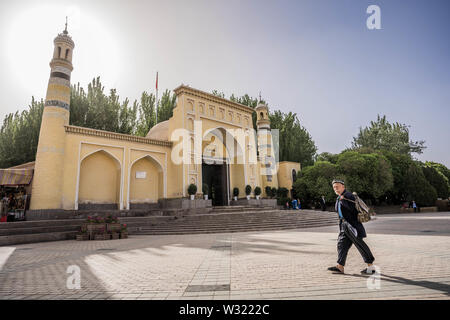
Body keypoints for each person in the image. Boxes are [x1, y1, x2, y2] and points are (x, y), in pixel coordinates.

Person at [327, 179, 376, 275]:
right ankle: (340, 267)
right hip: (344, 226)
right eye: (334, 187)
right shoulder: (339, 197)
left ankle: (371, 267)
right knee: (341, 245)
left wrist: (343, 201)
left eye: (337, 186)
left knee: (360, 245)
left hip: (352, 225)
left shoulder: (348, 196)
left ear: (343, 187)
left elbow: (353, 209)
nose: (335, 188)